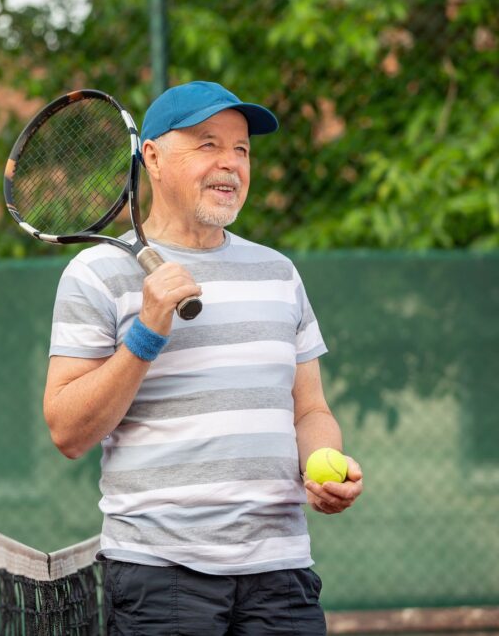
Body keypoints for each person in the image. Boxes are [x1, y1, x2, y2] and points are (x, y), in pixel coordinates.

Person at [44, 81, 364, 635]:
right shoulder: (94, 274)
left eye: (241, 149)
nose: (230, 163)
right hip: (160, 578)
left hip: (281, 575)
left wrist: (322, 466)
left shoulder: (279, 274)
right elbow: (67, 431)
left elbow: (309, 410)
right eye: (207, 144)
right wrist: (146, 332)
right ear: (153, 157)